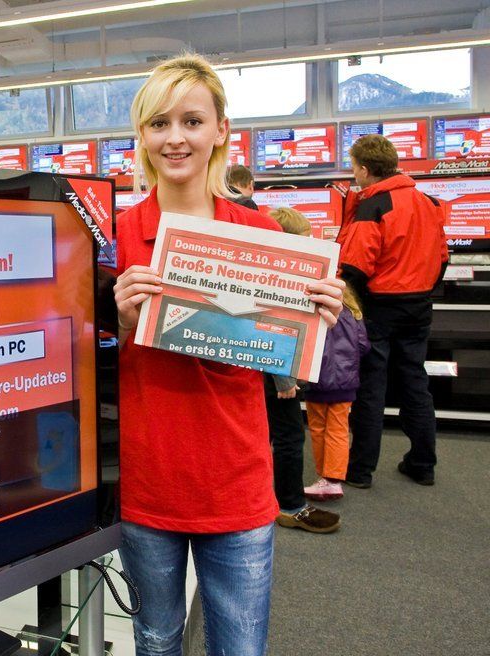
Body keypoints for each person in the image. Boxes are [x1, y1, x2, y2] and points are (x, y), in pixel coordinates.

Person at [112, 54, 344, 656]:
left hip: (236, 481)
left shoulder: (262, 237)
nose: (175, 138)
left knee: (240, 647)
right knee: (156, 641)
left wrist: (314, 321)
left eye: (192, 121)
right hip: (149, 481)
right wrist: (119, 324)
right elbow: (84, 370)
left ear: (220, 131)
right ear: (142, 135)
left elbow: (283, 364)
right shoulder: (116, 238)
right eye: (159, 123)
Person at [340, 134, 448, 488]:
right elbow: (443, 257)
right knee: (415, 382)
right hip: (419, 306)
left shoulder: (373, 206)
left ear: (365, 169)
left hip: (379, 307)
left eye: (354, 167)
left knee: (372, 388)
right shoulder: (428, 202)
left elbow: (355, 266)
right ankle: (423, 463)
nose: (353, 174)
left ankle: (360, 471)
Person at [265, 207, 340, 533]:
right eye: (305, 239)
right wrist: (285, 378)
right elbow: (271, 327)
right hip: (277, 375)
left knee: (271, 437)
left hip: (275, 372)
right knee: (289, 438)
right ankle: (290, 505)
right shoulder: (282, 277)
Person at [303, 283, 370, 501]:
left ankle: (325, 478)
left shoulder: (315, 311)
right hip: (346, 381)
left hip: (318, 380)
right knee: (339, 430)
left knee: (318, 429)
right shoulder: (353, 314)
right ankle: (333, 480)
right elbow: (364, 346)